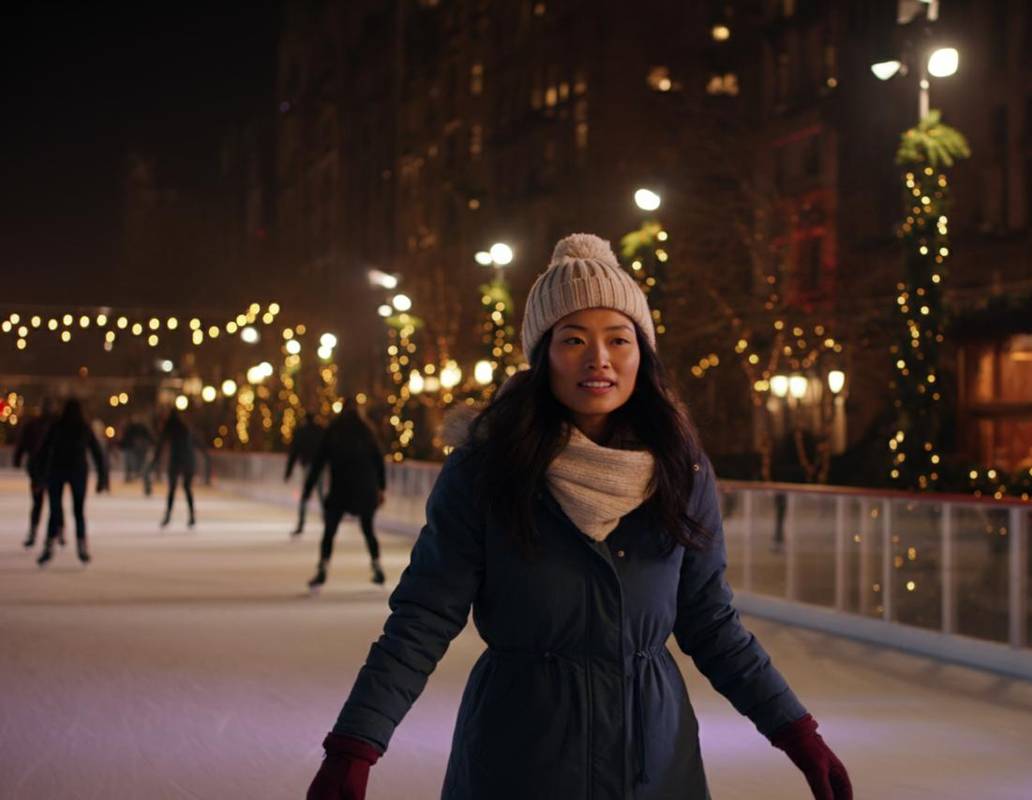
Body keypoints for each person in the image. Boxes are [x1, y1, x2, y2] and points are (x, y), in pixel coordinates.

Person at [305, 234, 852, 800]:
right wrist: (355, 744)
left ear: (642, 353)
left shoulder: (679, 470)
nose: (600, 359)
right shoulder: (486, 471)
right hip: (521, 760)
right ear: (543, 356)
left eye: (619, 339)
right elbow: (423, 618)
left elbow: (710, 621)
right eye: (574, 340)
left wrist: (796, 732)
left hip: (654, 764)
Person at [301, 405, 386, 589]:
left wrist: (307, 490)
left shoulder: (334, 431)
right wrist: (381, 488)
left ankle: (323, 567)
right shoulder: (367, 432)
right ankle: (377, 566)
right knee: (368, 530)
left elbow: (318, 462)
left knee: (329, 532)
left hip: (341, 490)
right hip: (366, 490)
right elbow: (379, 462)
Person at [35, 398, 109, 566]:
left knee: (55, 511)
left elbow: (43, 450)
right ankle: (81, 546)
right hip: (77, 472)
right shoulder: (83, 427)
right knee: (78, 511)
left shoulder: (57, 426)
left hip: (57, 471)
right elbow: (97, 453)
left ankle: (49, 546)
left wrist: (39, 475)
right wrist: (102, 477)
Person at [13, 397, 56, 549]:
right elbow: (22, 443)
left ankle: (49, 533)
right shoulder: (41, 425)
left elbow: (22, 443)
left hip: (47, 469)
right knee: (47, 502)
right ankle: (39, 532)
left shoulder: (52, 425)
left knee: (48, 502)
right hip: (41, 469)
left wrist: (18, 458)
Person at [150, 408, 201, 528]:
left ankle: (169, 515)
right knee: (186, 488)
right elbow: (197, 442)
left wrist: (154, 461)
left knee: (173, 488)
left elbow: (161, 444)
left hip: (177, 459)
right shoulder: (185, 426)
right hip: (188, 459)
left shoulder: (170, 426)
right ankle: (191, 515)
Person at [284, 411, 326, 537]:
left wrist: (288, 472)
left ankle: (301, 524)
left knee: (306, 495)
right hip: (319, 467)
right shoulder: (321, 431)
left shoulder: (301, 432)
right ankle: (327, 522)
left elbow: (294, 452)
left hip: (308, 466)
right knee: (321, 494)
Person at [119, 416, 154, 485]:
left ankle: (137, 473)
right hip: (133, 447)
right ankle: (133, 474)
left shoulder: (134, 429)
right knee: (133, 462)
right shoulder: (132, 428)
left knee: (136, 462)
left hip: (136, 448)